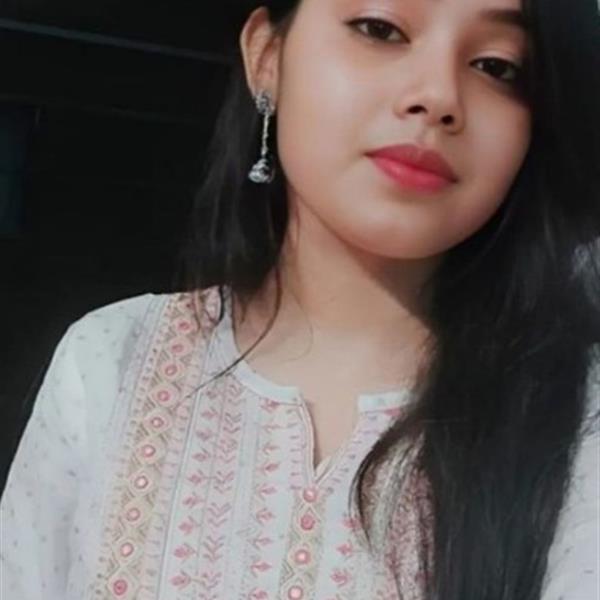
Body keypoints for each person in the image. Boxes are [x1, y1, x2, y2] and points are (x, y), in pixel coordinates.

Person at [1, 0, 599, 598]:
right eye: (380, 29)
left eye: (497, 66)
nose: (439, 95)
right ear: (267, 56)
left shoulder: (580, 419)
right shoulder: (112, 359)